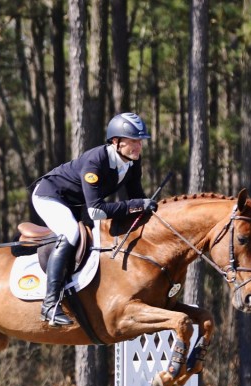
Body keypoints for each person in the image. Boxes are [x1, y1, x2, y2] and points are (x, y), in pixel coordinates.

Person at [32, 112, 157, 327]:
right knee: (70, 232)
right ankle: (50, 303)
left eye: (140, 141)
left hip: (74, 204)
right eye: (133, 141)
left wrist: (149, 208)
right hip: (50, 196)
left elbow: (136, 197)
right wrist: (136, 205)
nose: (139, 147)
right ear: (116, 142)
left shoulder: (132, 162)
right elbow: (97, 211)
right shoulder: (95, 162)